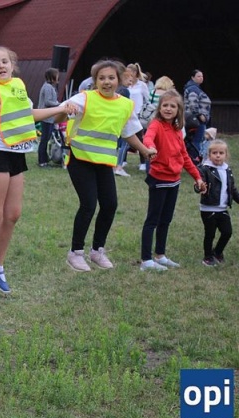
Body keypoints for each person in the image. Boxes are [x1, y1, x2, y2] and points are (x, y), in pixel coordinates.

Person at [0, 46, 72, 301]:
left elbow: (29, 115)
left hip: (17, 154)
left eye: (5, 61)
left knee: (12, 215)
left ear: (12, 65)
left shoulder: (19, 86)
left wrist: (60, 109)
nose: (1, 66)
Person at [64, 60, 157, 272]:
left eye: (111, 78)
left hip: (104, 161)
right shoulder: (84, 98)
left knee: (110, 205)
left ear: (119, 80)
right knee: (88, 204)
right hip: (80, 159)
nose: (107, 82)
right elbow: (63, 110)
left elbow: (128, 132)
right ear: (95, 81)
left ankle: (97, 251)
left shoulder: (125, 105)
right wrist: (67, 108)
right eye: (102, 78)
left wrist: (144, 150)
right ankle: (75, 252)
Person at [139, 90, 205, 271]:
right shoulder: (156, 125)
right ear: (159, 108)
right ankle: (146, 260)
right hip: (159, 180)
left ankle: (160, 255)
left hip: (174, 181)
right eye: (165, 105)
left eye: (172, 106)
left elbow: (184, 157)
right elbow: (148, 138)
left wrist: (197, 177)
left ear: (179, 110)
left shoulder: (177, 130)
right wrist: (150, 147)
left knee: (166, 219)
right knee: (152, 220)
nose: (168, 109)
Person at [195, 139, 239, 266]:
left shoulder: (227, 170)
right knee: (210, 234)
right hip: (208, 208)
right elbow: (198, 184)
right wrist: (200, 187)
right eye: (214, 153)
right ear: (209, 155)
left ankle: (218, 252)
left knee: (227, 232)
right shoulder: (205, 169)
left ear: (226, 155)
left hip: (223, 209)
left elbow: (232, 189)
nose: (218, 155)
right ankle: (208, 257)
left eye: (221, 153)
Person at [126, 63, 150, 171]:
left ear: (135, 73)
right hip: (127, 114)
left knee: (139, 139)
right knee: (124, 138)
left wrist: (144, 112)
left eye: (129, 72)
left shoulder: (142, 85)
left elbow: (147, 99)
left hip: (138, 115)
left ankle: (143, 162)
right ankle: (122, 161)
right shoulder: (126, 84)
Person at [183, 70, 211, 159]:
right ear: (192, 77)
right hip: (196, 121)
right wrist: (200, 115)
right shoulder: (193, 89)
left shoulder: (195, 88)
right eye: (198, 76)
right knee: (196, 141)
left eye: (202, 76)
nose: (201, 78)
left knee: (193, 141)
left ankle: (192, 159)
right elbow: (192, 104)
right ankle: (195, 160)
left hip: (194, 120)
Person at [37, 68, 62, 168]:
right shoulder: (48, 87)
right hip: (46, 117)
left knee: (46, 139)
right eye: (56, 75)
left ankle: (45, 158)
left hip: (49, 117)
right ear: (52, 77)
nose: (58, 77)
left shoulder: (50, 87)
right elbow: (48, 102)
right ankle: (42, 161)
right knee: (44, 140)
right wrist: (59, 105)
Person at [113, 70, 133, 177]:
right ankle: (119, 167)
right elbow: (126, 107)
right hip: (123, 121)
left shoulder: (116, 90)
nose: (131, 81)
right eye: (129, 79)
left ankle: (113, 165)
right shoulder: (125, 91)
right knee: (124, 144)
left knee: (115, 145)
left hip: (114, 121)